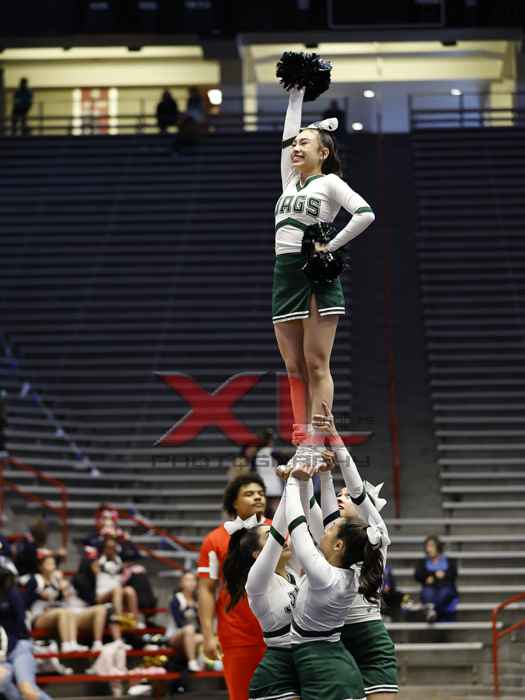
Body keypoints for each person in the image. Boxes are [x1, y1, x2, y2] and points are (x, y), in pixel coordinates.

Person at [274, 85, 375, 456]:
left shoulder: (330, 182)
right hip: (284, 275)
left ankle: (318, 441)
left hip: (314, 275)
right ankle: (302, 441)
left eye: (305, 143)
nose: (296, 147)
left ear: (323, 152)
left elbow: (365, 214)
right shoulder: (289, 180)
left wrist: (330, 246)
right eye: (295, 144)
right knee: (293, 367)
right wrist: (296, 96)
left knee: (316, 364)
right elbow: (287, 137)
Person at [283, 447, 385, 700]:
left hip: (332, 661)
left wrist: (294, 481)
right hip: (332, 656)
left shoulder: (326, 574)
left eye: (331, 530)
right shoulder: (340, 569)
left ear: (339, 545)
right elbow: (317, 517)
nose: (325, 530)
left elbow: (298, 526)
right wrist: (323, 476)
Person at [314, 403, 398, 697]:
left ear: (366, 508)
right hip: (333, 636)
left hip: (369, 635)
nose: (342, 497)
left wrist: (335, 436)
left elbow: (356, 486)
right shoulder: (335, 535)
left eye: (347, 496)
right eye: (339, 494)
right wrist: (324, 474)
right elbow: (325, 514)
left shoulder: (377, 534)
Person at [223, 486, 299, 700]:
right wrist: (291, 484)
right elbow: (280, 526)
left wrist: (303, 485)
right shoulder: (258, 583)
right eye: (271, 537)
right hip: (278, 671)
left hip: (303, 663)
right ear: (258, 555)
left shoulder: (294, 574)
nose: (281, 539)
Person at [197, 474, 269, 700]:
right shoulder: (214, 540)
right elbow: (206, 589)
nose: (257, 497)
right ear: (234, 503)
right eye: (249, 494)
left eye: (261, 493)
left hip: (280, 632)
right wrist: (208, 635)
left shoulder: (280, 532)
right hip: (236, 635)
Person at [25, 551, 107, 652]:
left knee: (68, 612)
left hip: (54, 611)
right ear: (40, 566)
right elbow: (26, 599)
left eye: (53, 564)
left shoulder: (55, 580)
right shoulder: (35, 579)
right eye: (48, 563)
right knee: (62, 612)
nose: (52, 566)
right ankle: (65, 644)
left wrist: (62, 590)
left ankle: (73, 643)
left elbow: (60, 599)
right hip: (39, 615)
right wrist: (39, 595)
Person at [0, 556, 52, 700]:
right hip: (2, 653)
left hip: (18, 647)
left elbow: (20, 626)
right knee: (3, 681)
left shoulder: (11, 593)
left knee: (27, 689)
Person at [95, 537, 142, 627]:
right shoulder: (97, 563)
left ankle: (135, 621)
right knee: (117, 589)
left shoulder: (120, 562)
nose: (112, 550)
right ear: (104, 549)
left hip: (117, 593)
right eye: (109, 548)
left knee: (130, 590)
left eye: (114, 548)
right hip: (102, 595)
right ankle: (119, 619)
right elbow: (95, 570)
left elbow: (137, 556)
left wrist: (128, 540)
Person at [414, 535, 459, 623]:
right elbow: (418, 575)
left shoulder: (448, 560)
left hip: (445, 586)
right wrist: (433, 576)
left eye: (431, 546)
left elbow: (453, 574)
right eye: (427, 546)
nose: (429, 549)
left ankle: (434, 613)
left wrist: (443, 575)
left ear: (438, 547)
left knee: (444, 594)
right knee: (428, 594)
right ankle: (436, 614)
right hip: (430, 587)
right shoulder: (423, 561)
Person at [166, 571, 203, 672]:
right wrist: (191, 608)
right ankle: (192, 661)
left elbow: (200, 625)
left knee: (208, 637)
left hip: (192, 636)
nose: (191, 583)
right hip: (175, 635)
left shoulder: (197, 599)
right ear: (181, 583)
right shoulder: (176, 599)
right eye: (187, 580)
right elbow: (179, 622)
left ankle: (205, 663)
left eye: (193, 580)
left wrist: (199, 609)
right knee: (189, 629)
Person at [255, 429, 283, 517]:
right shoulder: (274, 453)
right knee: (275, 510)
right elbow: (286, 462)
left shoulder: (257, 454)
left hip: (262, 485)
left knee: (262, 510)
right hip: (274, 486)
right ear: (270, 441)